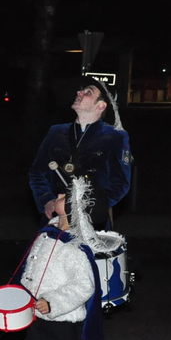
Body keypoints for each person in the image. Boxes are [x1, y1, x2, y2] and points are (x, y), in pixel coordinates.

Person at [9, 176, 106, 340]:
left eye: (63, 197)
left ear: (76, 208)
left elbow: (83, 286)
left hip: (64, 320)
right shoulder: (46, 234)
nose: (57, 197)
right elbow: (31, 269)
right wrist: (21, 297)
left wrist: (53, 302)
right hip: (37, 317)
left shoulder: (76, 247)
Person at [29, 76, 132, 229]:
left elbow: (120, 183)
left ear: (101, 106)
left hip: (91, 221)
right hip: (55, 218)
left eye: (88, 92)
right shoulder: (56, 132)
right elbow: (37, 172)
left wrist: (92, 207)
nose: (79, 92)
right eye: (81, 90)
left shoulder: (115, 137)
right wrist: (47, 200)